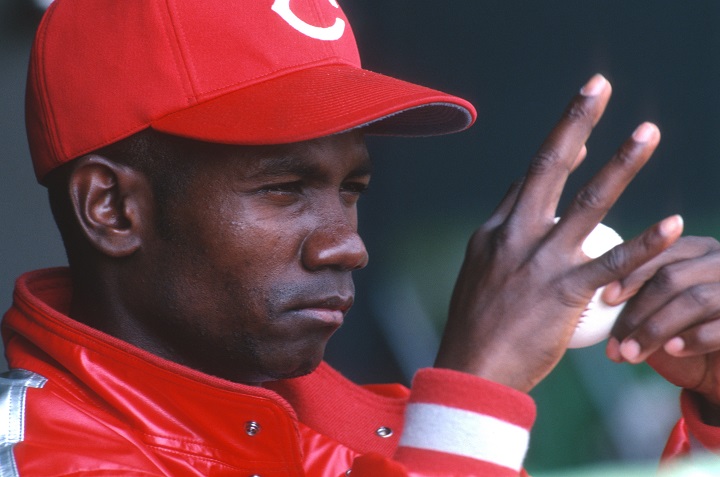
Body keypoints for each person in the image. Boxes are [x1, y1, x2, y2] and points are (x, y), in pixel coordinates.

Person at [4, 0, 720, 475]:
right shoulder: (37, 453)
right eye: (284, 188)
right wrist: (476, 394)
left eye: (352, 190)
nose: (347, 245)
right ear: (112, 208)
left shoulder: (367, 425)